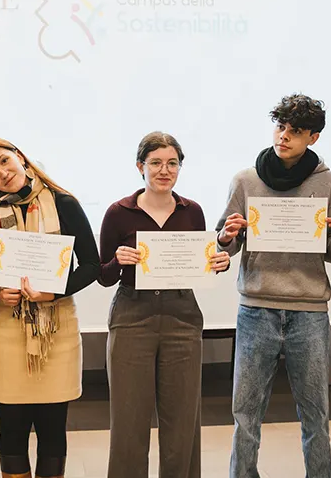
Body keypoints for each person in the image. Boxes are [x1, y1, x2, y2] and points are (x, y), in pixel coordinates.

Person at [216, 94, 331, 478]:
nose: (284, 136)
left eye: (296, 131)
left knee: (315, 414)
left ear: (314, 137)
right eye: (280, 126)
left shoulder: (328, 183)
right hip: (256, 308)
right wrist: (227, 235)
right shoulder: (245, 179)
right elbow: (226, 243)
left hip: (308, 311)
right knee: (245, 414)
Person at [98, 131, 230, 478]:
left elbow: (199, 267)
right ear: (140, 166)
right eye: (155, 163)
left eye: (172, 163)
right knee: (129, 421)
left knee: (183, 421)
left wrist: (219, 262)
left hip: (181, 315)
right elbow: (103, 275)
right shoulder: (118, 213)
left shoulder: (193, 212)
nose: (164, 170)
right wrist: (118, 261)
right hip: (131, 316)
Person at [0, 138, 100, 478]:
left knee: (53, 431)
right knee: (11, 430)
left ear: (21, 158)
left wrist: (52, 293)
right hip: (8, 331)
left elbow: (91, 265)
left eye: (4, 161)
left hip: (57, 330)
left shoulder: (64, 203)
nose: (2, 173)